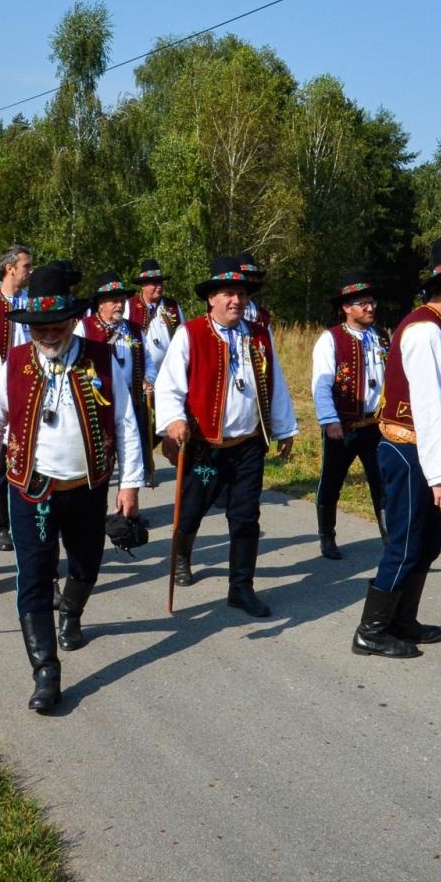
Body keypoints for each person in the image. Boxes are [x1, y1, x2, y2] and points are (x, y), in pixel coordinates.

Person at [0, 265, 146, 713]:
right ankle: (46, 672)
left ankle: (71, 610)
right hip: (31, 488)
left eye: (57, 327)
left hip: (88, 487)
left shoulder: (101, 359)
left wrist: (131, 483)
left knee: (87, 564)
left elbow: (126, 424)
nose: (48, 336)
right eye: (40, 329)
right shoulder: (14, 364)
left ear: (72, 322)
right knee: (33, 577)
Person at [354, 235, 441, 659]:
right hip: (408, 450)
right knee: (406, 541)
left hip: (413, 449)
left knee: (429, 538)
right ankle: (370, 632)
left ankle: (401, 620)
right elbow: (429, 407)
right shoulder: (424, 332)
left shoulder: (429, 325)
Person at [155, 256, 298, 619]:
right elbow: (169, 385)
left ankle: (241, 588)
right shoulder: (191, 333)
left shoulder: (259, 335)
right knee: (190, 512)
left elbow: (275, 383)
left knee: (246, 517)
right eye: (229, 294)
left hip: (248, 444)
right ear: (212, 299)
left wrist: (284, 428)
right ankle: (183, 554)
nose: (237, 300)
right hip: (205, 447)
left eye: (242, 294)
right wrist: (173, 421)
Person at [309, 270, 388, 560]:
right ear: (347, 308)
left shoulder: (381, 337)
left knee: (383, 481)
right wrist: (329, 421)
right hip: (343, 426)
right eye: (363, 303)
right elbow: (321, 384)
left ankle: (390, 540)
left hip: (376, 425)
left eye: (372, 302)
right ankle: (326, 536)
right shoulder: (330, 339)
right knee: (332, 480)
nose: (371, 308)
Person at [0, 244, 34, 553]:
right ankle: (1, 527)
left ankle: (24, 520)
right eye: (26, 265)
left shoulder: (31, 301)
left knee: (26, 456)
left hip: (29, 387)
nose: (30, 270)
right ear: (10, 268)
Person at [80, 271, 156, 490]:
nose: (120, 305)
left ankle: (128, 513)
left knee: (134, 452)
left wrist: (148, 380)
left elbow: (149, 360)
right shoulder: (85, 328)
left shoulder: (133, 329)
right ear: (101, 303)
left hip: (134, 399)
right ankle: (97, 512)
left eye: (122, 300)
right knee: (100, 456)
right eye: (114, 300)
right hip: (100, 402)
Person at [127, 259, 185, 395]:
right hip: (140, 377)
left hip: (169, 375)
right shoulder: (129, 306)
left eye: (160, 282)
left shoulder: (173, 306)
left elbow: (182, 337)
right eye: (154, 283)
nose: (159, 286)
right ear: (143, 285)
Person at [236, 252, 272, 330]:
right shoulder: (227, 313)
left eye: (252, 278)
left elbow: (269, 341)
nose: (249, 282)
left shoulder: (263, 316)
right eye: (245, 277)